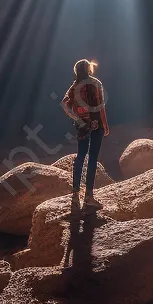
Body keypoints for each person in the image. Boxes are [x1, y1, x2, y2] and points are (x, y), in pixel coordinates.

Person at [60, 58, 109, 205]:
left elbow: (64, 104)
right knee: (92, 158)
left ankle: (75, 193)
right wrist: (104, 126)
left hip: (81, 126)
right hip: (96, 125)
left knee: (81, 156)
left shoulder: (74, 86)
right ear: (88, 69)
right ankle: (89, 196)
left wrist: (76, 118)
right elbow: (100, 107)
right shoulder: (96, 83)